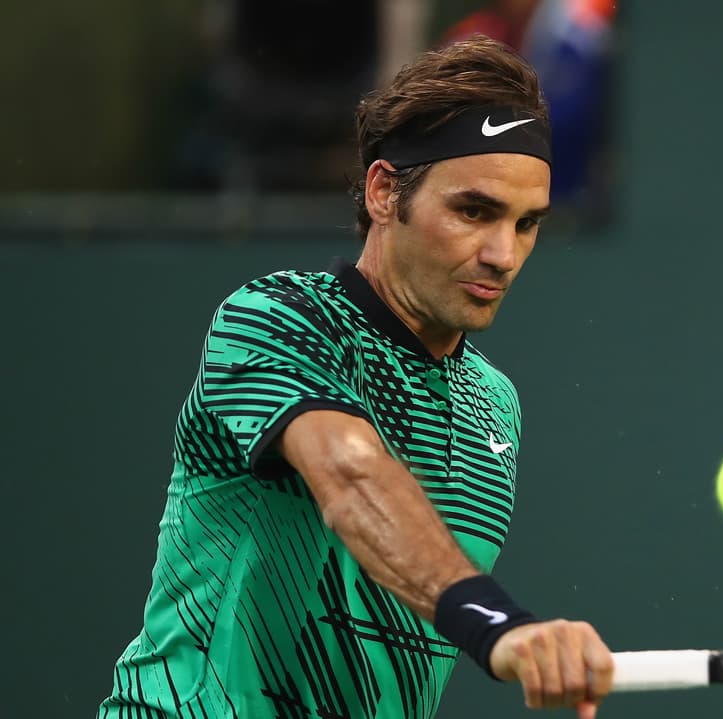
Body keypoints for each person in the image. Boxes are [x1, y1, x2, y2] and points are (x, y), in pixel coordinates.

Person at [99, 36, 614, 719]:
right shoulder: (277, 317)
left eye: (527, 224)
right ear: (383, 191)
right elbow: (352, 477)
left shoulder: (496, 404)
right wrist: (495, 624)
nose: (503, 254)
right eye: (475, 211)